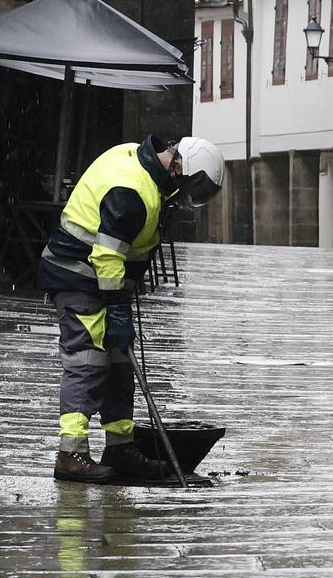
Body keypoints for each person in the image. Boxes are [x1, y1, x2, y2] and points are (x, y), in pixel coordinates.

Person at [37, 135, 224, 483]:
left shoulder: (151, 176)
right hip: (77, 274)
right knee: (88, 361)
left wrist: (125, 292)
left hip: (100, 278)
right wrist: (118, 308)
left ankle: (120, 447)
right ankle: (70, 454)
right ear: (180, 168)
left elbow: (130, 245)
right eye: (188, 188)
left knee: (119, 364)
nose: (183, 197)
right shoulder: (132, 190)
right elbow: (108, 255)